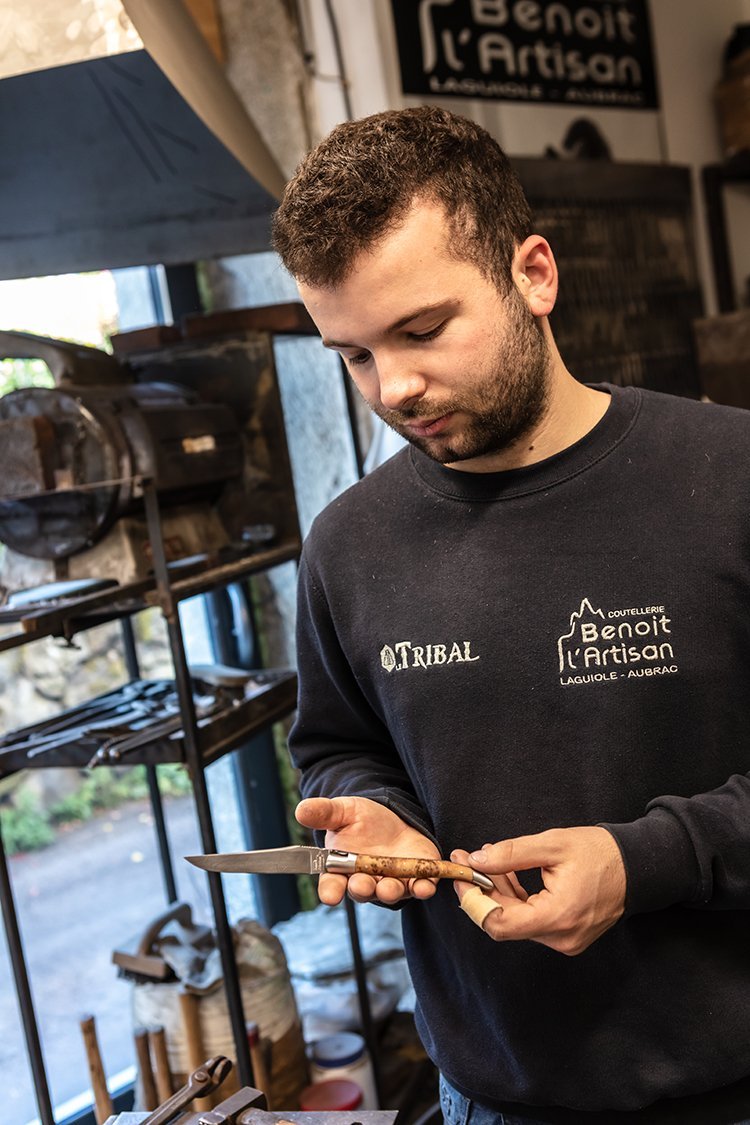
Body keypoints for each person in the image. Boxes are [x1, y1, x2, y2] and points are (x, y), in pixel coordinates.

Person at [271, 105, 750, 1123]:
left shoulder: (732, 480)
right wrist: (377, 810)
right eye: (351, 355)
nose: (393, 387)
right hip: (492, 1096)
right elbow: (339, 749)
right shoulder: (348, 549)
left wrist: (647, 861)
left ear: (534, 273)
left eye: (423, 330)